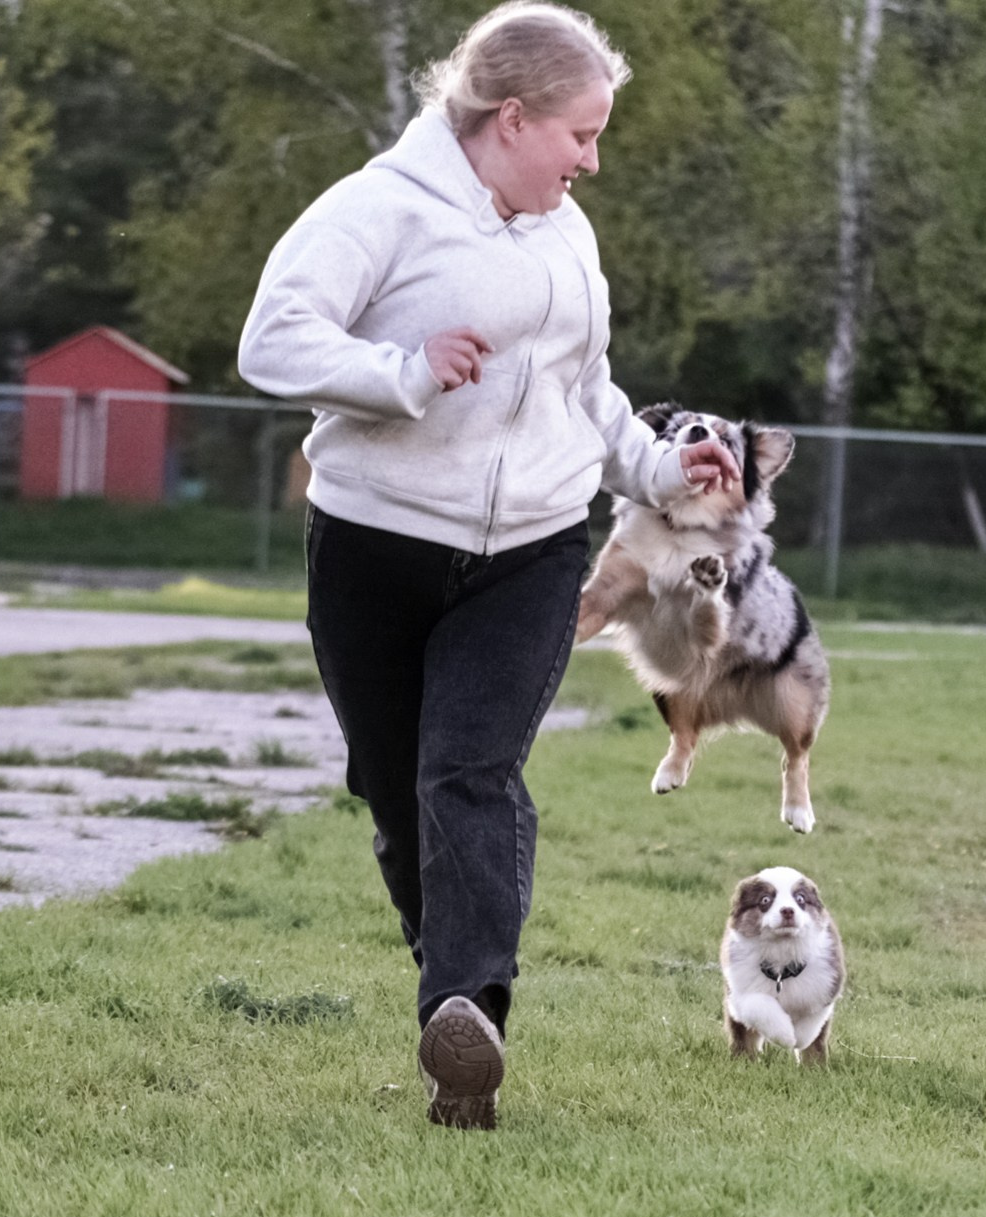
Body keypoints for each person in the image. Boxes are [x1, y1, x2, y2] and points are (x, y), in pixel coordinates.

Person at [237, 1, 738, 1131]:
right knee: (393, 784)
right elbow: (271, 341)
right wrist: (400, 371)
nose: (592, 161)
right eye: (580, 135)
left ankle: (467, 1014)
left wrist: (662, 469)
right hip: (373, 542)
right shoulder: (378, 208)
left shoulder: (565, 230)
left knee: (466, 771)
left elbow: (584, 388)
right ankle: (451, 984)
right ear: (510, 119)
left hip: (532, 549)